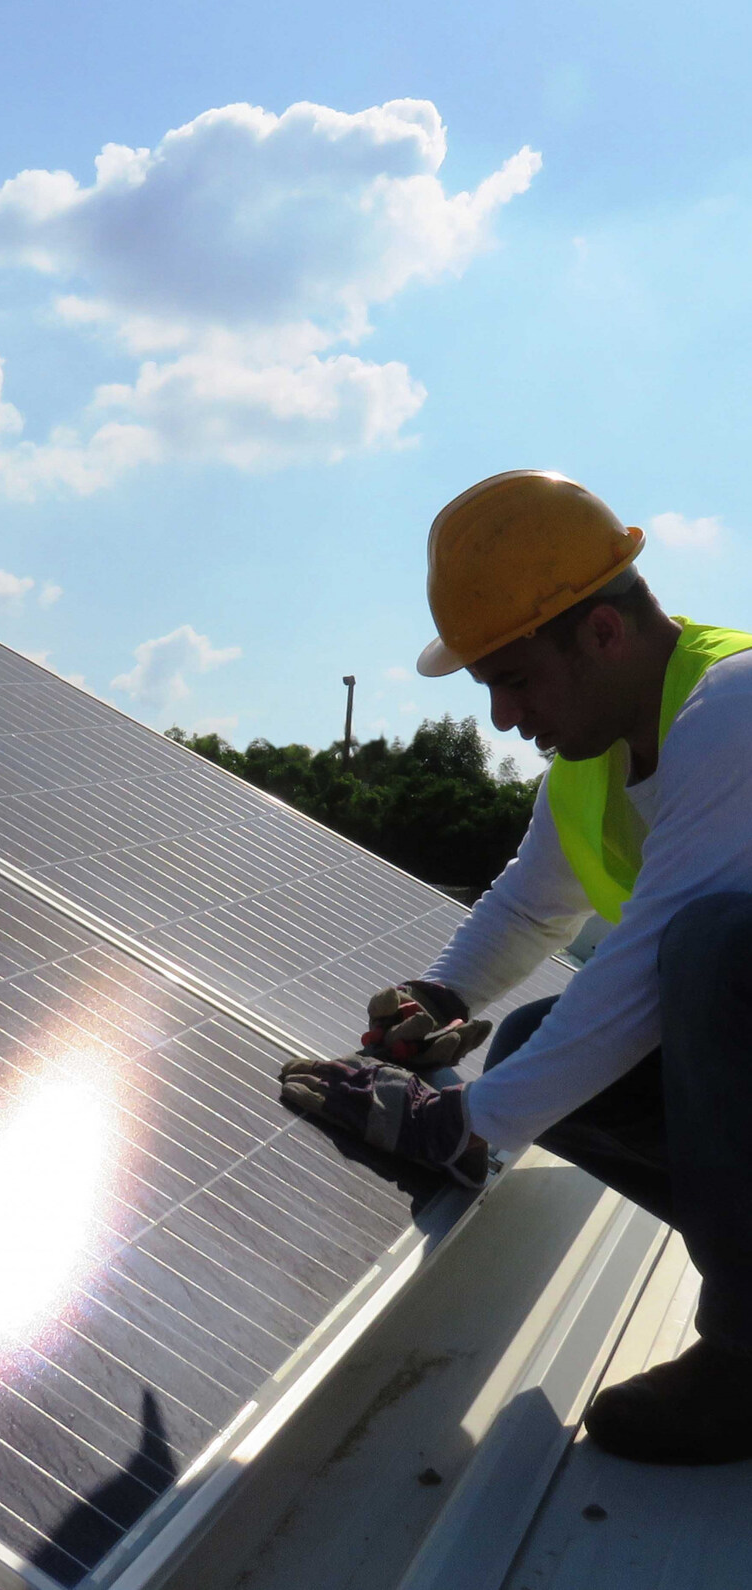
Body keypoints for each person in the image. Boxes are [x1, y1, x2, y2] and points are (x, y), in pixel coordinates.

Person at [281, 469, 752, 1465]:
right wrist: (440, 997)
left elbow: (640, 969)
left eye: (511, 678)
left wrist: (461, 1126)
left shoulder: (737, 706)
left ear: (602, 634)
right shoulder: (596, 756)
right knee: (541, 1044)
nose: (498, 718)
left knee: (714, 955)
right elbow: (532, 906)